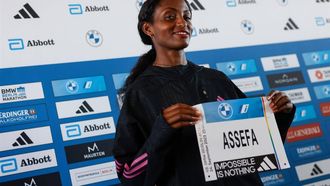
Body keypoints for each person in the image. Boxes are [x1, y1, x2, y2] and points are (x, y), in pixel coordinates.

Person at [112, 0, 295, 185]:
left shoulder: (216, 78)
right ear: (148, 29)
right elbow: (128, 175)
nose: (182, 23)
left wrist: (279, 113)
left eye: (187, 17)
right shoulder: (140, 92)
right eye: (169, 17)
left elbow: (259, 146)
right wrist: (163, 129)